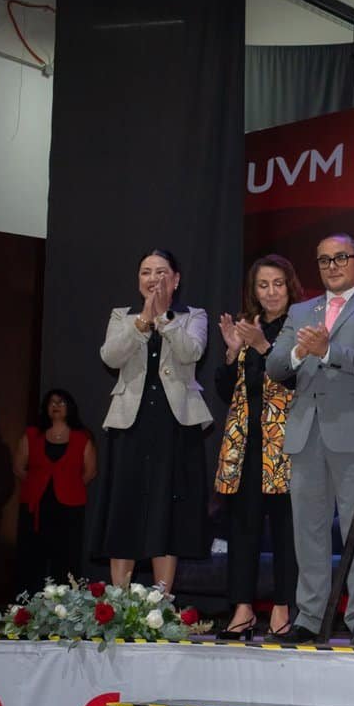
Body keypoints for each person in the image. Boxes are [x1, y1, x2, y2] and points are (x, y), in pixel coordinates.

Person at [267, 234, 354, 644]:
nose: (332, 266)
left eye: (340, 258)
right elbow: (276, 365)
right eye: (323, 261)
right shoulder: (301, 310)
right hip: (305, 432)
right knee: (308, 530)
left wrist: (328, 350)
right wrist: (302, 353)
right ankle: (310, 617)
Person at [96, 249, 211, 591]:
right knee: (125, 505)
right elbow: (110, 356)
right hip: (130, 421)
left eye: (161, 272)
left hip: (174, 423)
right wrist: (142, 322)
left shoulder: (193, 316)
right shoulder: (122, 317)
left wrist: (164, 319)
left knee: (166, 508)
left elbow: (193, 352)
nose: (153, 279)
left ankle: (159, 604)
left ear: (175, 280)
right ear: (138, 279)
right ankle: (118, 602)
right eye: (146, 272)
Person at [213, 255, 303, 640]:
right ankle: (243, 609)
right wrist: (233, 352)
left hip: (287, 445)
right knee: (243, 530)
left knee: (286, 531)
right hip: (245, 444)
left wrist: (263, 346)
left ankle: (283, 609)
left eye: (277, 284)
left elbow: (298, 379)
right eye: (263, 285)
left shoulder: (301, 327)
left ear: (290, 286)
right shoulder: (247, 327)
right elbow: (223, 390)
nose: (270, 292)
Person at [13, 389, 96, 591]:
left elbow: (90, 472)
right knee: (32, 556)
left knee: (66, 557)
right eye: (51, 402)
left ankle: (64, 607)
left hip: (69, 508)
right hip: (36, 507)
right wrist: (37, 483)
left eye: (61, 402)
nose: (56, 406)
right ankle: (27, 607)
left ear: (70, 407)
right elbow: (19, 467)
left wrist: (68, 485)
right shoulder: (32, 434)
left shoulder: (82, 437)